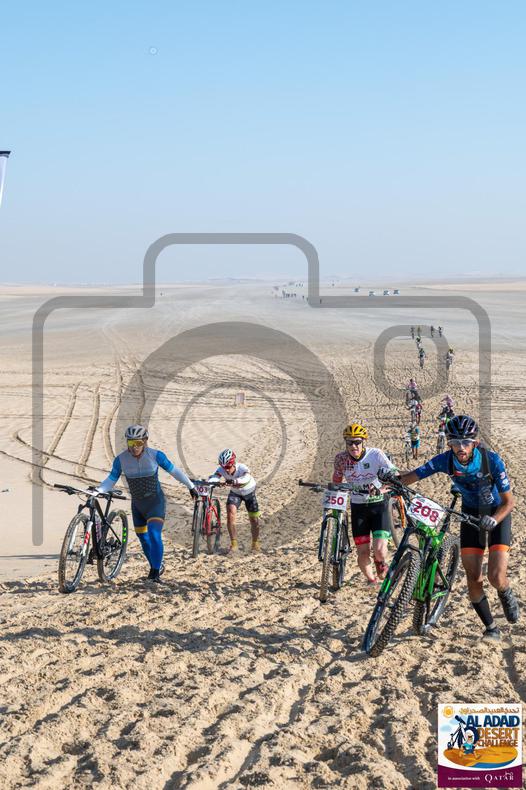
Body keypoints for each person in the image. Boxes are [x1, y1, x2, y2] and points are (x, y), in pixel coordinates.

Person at [389, 415, 518, 640]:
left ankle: (505, 591)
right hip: (470, 515)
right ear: (449, 443)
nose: (461, 447)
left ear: (475, 442)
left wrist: (494, 519)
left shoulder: (491, 460)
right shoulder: (445, 460)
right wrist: (391, 480)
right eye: (455, 442)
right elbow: (413, 476)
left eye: (466, 442)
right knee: (473, 578)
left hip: (497, 513)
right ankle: (491, 628)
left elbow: (509, 502)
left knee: (496, 577)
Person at [97, 425, 196, 582]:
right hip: (137, 505)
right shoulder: (121, 460)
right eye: (131, 443)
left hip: (155, 503)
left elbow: (174, 471)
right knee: (143, 538)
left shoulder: (156, 455)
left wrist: (191, 486)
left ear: (145, 441)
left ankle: (154, 573)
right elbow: (111, 479)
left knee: (154, 534)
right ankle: (156, 565)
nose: (134, 447)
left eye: (138, 443)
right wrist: (98, 491)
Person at [332, 424, 395, 585]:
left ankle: (380, 562)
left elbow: (394, 474)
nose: (353, 446)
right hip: (358, 507)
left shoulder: (376, 454)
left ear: (363, 442)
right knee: (363, 552)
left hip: (379, 505)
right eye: (350, 442)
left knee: (379, 551)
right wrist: (334, 493)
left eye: (357, 442)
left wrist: (382, 489)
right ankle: (371, 580)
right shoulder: (341, 459)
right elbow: (337, 480)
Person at [210, 449, 260, 552]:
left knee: (254, 520)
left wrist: (234, 481)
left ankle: (255, 543)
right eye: (224, 467)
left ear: (233, 463)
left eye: (228, 467)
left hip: (249, 492)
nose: (226, 470)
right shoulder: (221, 469)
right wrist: (211, 482)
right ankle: (234, 544)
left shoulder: (242, 468)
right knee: (230, 514)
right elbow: (215, 477)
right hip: (235, 493)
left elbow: (247, 478)